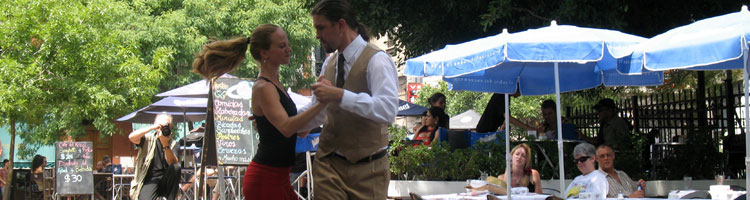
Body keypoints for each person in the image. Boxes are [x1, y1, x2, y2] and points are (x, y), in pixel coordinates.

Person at [191, 24, 328, 200]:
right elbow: (286, 128)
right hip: (266, 179)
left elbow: (301, 131)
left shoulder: (276, 85)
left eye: (287, 44)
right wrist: (321, 102)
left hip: (278, 178)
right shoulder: (264, 87)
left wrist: (320, 103)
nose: (289, 49)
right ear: (264, 53)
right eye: (282, 46)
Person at [301, 0, 399, 198]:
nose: (317, 35)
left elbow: (388, 111)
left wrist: (339, 95)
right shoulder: (329, 63)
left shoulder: (377, 60)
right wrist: (277, 121)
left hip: (369, 170)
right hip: (328, 165)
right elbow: (317, 112)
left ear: (341, 25)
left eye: (321, 28)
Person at [128, 113, 181, 200]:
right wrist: (152, 127)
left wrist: (165, 144)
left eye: (166, 126)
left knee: (176, 167)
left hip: (166, 179)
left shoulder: (174, 143)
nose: (163, 128)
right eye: (161, 125)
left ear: (170, 127)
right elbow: (132, 137)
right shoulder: (148, 139)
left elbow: (173, 163)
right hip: (150, 179)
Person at [472, 144, 542, 194]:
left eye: (523, 156)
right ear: (511, 156)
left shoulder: (533, 174)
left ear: (527, 160)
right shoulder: (501, 178)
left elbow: (539, 197)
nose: (519, 157)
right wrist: (507, 169)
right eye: (517, 154)